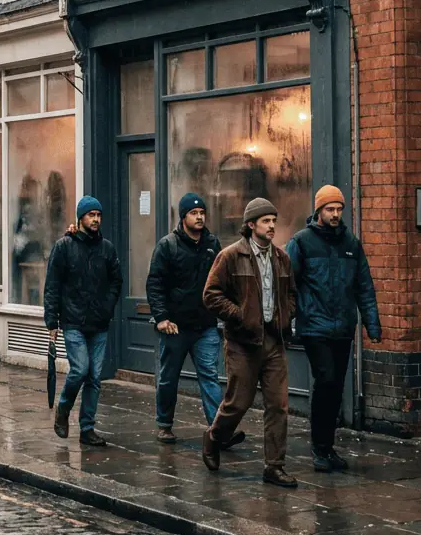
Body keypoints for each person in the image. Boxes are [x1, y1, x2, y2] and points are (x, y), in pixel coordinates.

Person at [202, 198, 297, 488]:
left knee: (278, 405)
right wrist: (240, 315)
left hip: (274, 341)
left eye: (273, 221)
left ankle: (274, 466)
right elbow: (211, 295)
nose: (271, 226)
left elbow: (292, 295)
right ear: (251, 224)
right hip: (243, 342)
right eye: (266, 221)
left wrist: (286, 314)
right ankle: (214, 437)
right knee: (238, 403)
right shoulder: (231, 256)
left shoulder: (281, 258)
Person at [286, 185, 382, 472]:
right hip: (315, 326)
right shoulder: (302, 242)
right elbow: (287, 284)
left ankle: (327, 448)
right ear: (319, 211)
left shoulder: (351, 243)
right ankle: (319, 448)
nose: (336, 214)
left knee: (336, 387)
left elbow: (364, 286)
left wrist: (372, 325)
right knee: (326, 380)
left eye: (339, 209)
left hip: (343, 327)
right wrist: (288, 320)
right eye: (330, 209)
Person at [146, 192, 243, 449]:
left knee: (210, 377)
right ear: (183, 217)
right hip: (175, 327)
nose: (199, 217)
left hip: (205, 326)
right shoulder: (168, 245)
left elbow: (224, 280)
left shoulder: (212, 244)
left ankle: (219, 431)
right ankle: (164, 424)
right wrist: (162, 318)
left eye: (202, 213)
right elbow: (155, 283)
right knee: (169, 377)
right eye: (194, 213)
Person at [43, 195, 122, 447]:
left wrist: (108, 307)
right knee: (80, 370)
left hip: (99, 323)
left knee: (95, 378)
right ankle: (63, 409)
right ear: (80, 218)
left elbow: (116, 281)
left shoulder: (107, 249)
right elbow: (52, 286)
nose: (96, 219)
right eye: (91, 215)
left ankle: (87, 428)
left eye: (99, 215)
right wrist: (51, 322)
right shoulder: (64, 247)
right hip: (73, 321)